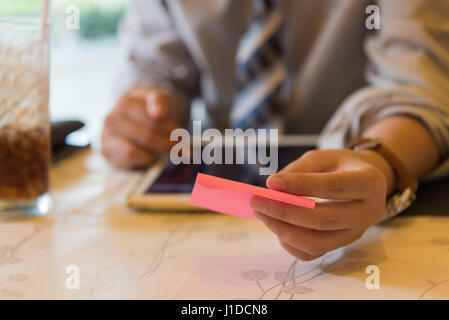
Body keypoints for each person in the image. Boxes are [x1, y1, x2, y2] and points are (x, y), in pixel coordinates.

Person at [102, 0, 449, 261]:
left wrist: (379, 159)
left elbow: (418, 85)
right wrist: (143, 113)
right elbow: (155, 71)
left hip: (357, 189)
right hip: (205, 195)